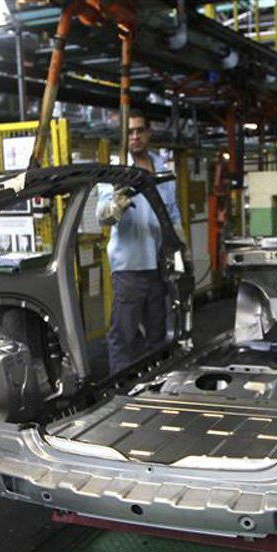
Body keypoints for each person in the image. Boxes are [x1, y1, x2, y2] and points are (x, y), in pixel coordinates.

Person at [97, 108, 183, 373]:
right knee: (124, 334)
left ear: (148, 132)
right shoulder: (115, 170)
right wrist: (116, 206)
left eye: (139, 130)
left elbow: (173, 215)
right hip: (129, 268)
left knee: (157, 334)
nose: (134, 136)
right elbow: (102, 216)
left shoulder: (162, 169)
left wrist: (182, 253)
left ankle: (156, 382)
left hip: (158, 266)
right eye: (129, 132)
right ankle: (119, 389)